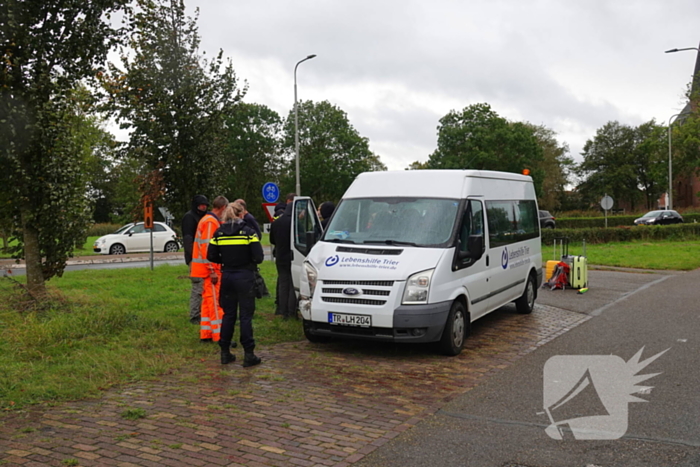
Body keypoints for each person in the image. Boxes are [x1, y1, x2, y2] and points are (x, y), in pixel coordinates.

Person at [208, 202, 264, 367]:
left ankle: (225, 352)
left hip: (227, 276)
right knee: (245, 316)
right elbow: (259, 257)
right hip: (245, 276)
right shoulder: (249, 233)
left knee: (228, 314)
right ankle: (248, 354)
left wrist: (225, 261)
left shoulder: (219, 233)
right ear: (241, 215)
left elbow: (211, 255)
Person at [191, 195, 228, 342]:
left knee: (207, 302)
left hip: (204, 269)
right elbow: (207, 247)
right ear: (223, 208)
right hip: (210, 270)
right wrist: (212, 269)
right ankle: (220, 336)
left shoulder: (207, 220)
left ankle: (206, 334)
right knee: (215, 302)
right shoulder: (211, 222)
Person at [181, 195, 209, 324]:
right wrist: (193, 257)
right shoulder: (189, 217)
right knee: (197, 287)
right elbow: (188, 240)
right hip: (195, 258)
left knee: (204, 287)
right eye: (201, 205)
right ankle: (194, 315)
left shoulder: (205, 216)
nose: (203, 207)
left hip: (203, 256)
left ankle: (202, 312)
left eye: (205, 205)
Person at [270, 193, 297, 319]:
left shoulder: (276, 222)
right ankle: (292, 311)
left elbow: (272, 240)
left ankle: (282, 310)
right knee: (292, 284)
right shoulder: (295, 223)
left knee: (283, 283)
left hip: (280, 256)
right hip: (293, 256)